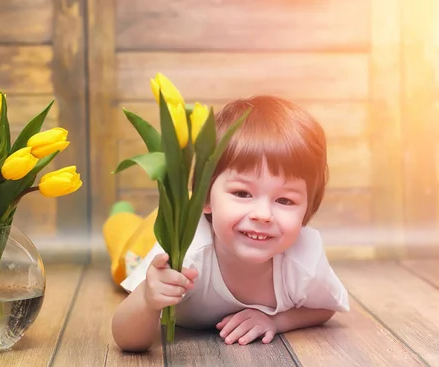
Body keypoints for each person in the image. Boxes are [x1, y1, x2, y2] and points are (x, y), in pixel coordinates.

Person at [105, 96, 350, 352]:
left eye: (285, 200)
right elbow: (127, 340)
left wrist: (276, 321)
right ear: (205, 196)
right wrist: (147, 298)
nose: (263, 215)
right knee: (122, 248)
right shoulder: (183, 253)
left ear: (307, 210)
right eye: (243, 194)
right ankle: (120, 213)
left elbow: (325, 307)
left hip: (208, 212)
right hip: (163, 228)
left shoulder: (303, 258)